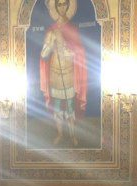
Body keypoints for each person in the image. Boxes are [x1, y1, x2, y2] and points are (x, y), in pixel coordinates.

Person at [40, 0, 87, 146]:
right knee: (58, 105)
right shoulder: (51, 30)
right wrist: (50, 42)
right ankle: (60, 134)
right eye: (59, 4)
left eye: (64, 4)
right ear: (55, 7)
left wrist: (70, 51)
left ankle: (72, 135)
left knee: (70, 105)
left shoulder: (73, 29)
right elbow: (44, 54)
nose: (62, 7)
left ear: (68, 6)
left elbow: (80, 52)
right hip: (55, 72)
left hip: (69, 73)